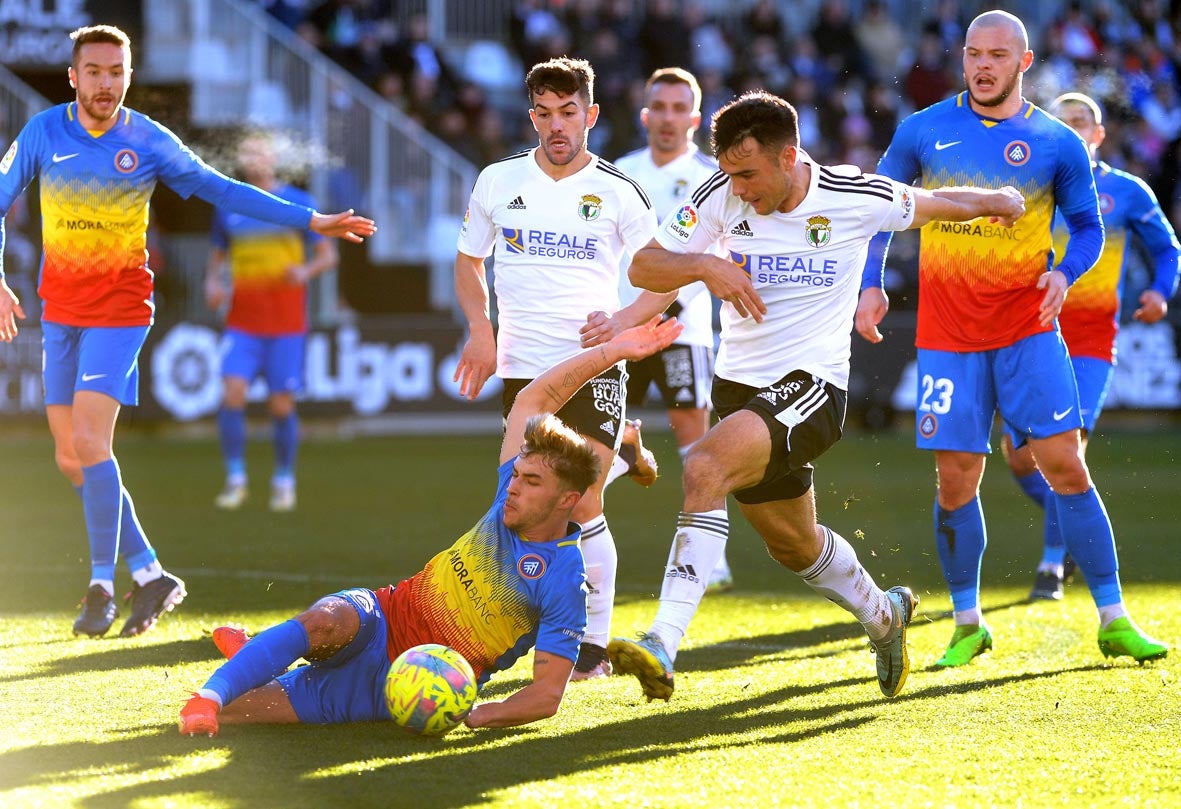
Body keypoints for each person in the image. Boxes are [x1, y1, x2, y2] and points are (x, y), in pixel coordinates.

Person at [606, 90, 1025, 702]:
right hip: (740, 390)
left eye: (749, 173)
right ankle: (884, 615)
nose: (738, 187)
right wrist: (705, 267)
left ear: (789, 156)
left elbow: (936, 203)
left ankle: (662, 642)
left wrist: (996, 199)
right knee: (792, 543)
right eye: (729, 173)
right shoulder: (719, 195)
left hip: (813, 388)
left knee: (702, 465)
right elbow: (645, 266)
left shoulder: (854, 196)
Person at [0, 25, 375, 639]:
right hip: (59, 311)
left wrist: (311, 220)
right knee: (73, 457)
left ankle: (100, 587)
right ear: (73, 77)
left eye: (116, 71)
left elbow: (221, 189)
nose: (105, 83)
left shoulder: (147, 139)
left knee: (92, 443)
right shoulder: (43, 131)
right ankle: (150, 572)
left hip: (120, 309)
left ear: (129, 74)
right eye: (93, 71)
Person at [178, 316, 684, 736]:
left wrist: (475, 713)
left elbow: (546, 695)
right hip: (383, 616)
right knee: (325, 619)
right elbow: (532, 401)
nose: (513, 485)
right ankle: (213, 690)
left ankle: (260, 656)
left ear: (567, 501)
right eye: (519, 474)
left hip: (413, 679)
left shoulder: (565, 581)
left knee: (245, 713)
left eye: (531, 481)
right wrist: (614, 350)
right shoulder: (509, 495)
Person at [855, 11, 1169, 667]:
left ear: (1023, 62)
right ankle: (967, 622)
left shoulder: (1055, 141)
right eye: (973, 53)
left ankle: (1112, 617)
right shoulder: (922, 129)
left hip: (1029, 333)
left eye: (996, 54)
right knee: (954, 480)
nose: (982, 65)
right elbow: (877, 206)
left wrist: (1062, 271)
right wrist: (869, 282)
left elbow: (1085, 227)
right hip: (947, 337)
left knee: (1065, 465)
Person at [452, 56, 675, 681]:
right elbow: (469, 262)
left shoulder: (617, 193)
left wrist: (626, 319)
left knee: (581, 503)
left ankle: (591, 652)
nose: (557, 126)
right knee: (532, 508)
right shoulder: (498, 181)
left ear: (591, 115)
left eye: (569, 113)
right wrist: (480, 329)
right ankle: (625, 450)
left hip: (594, 365)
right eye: (545, 114)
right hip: (525, 370)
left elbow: (664, 275)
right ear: (532, 117)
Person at [1001, 93, 1179, 601]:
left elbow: (1167, 248)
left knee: (1065, 452)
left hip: (1091, 344)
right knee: (1017, 458)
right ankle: (1079, 529)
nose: (1074, 128)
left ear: (1100, 135)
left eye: (1083, 122)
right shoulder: (1027, 188)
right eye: (1064, 121)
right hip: (1028, 337)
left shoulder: (1124, 191)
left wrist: (1158, 291)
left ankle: (1051, 565)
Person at [611, 67, 732, 592]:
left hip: (685, 330)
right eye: (658, 107)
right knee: (600, 431)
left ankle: (712, 559)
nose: (667, 118)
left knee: (696, 444)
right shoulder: (619, 173)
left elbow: (719, 253)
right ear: (644, 115)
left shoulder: (712, 176)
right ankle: (578, 537)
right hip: (624, 328)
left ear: (695, 118)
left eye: (678, 108)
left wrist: (676, 304)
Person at [205, 132, 339, 513]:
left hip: (285, 324)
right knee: (232, 393)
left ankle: (283, 480)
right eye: (248, 152)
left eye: (261, 152)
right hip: (242, 323)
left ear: (274, 157)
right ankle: (236, 479)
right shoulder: (228, 204)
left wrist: (305, 271)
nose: (255, 159)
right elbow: (216, 259)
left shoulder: (299, 203)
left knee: (281, 406)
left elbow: (328, 256)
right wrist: (213, 282)